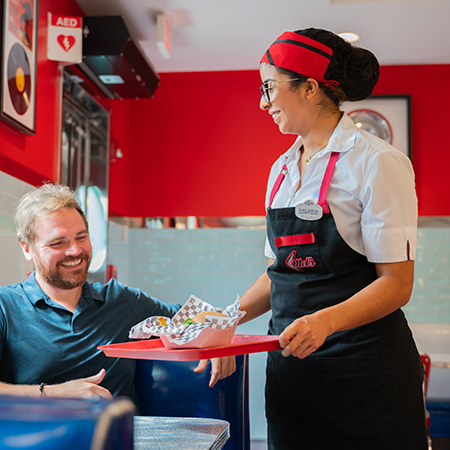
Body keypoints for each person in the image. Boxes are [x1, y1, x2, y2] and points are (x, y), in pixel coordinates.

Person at [238, 28, 427, 449]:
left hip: (365, 377)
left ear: (309, 88)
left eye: (269, 87)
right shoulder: (281, 170)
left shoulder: (378, 162)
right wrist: (226, 320)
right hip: (292, 374)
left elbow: (396, 284)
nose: (263, 102)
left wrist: (324, 322)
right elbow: (279, 273)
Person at [0, 183, 234, 407]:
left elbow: (196, 316)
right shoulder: (5, 307)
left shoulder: (120, 300)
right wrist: (53, 393)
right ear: (27, 248)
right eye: (58, 243)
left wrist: (217, 341)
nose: (75, 251)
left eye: (81, 237)